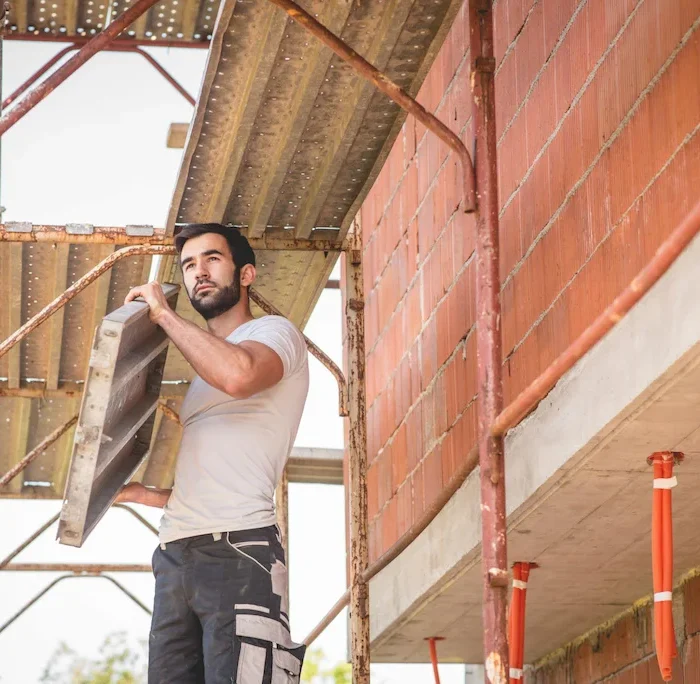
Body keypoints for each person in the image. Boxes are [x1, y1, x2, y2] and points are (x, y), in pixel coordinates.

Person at [115, 223, 309, 684]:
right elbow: (227, 469)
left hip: (240, 551)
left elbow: (241, 376)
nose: (198, 272)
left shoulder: (275, 334)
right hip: (176, 556)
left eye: (212, 259)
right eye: (188, 265)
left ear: (246, 275)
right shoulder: (207, 371)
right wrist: (154, 496)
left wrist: (163, 315)